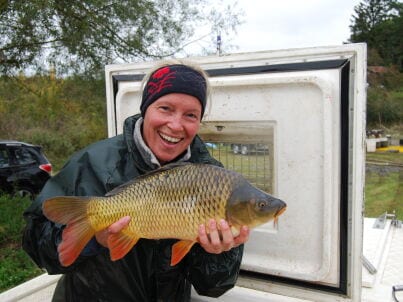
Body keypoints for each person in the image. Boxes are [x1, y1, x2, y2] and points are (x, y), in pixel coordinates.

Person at [22, 60, 250, 301]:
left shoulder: (216, 180)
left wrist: (216, 254)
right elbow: (35, 244)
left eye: (190, 115)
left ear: (199, 121)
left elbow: (214, 287)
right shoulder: (93, 162)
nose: (175, 125)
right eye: (165, 108)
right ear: (146, 108)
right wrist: (95, 239)